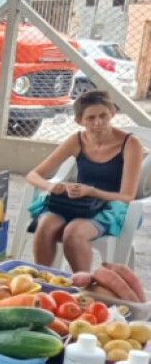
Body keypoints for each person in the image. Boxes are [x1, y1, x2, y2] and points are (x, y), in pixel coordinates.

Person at [26, 89, 143, 272]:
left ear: (113, 113)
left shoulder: (130, 144)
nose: (98, 122)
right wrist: (51, 186)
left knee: (73, 234)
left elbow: (127, 196)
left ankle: (81, 284)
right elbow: (33, 174)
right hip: (80, 203)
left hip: (114, 206)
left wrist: (92, 191)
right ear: (79, 121)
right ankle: (44, 279)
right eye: (91, 118)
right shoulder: (76, 140)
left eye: (103, 115)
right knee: (45, 226)